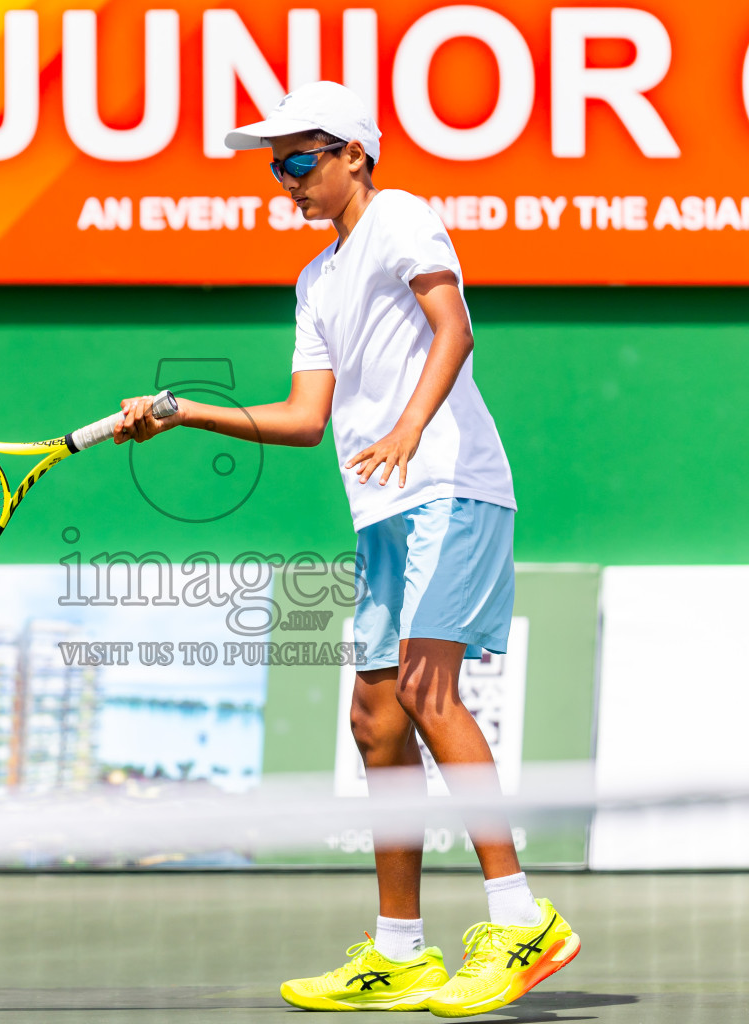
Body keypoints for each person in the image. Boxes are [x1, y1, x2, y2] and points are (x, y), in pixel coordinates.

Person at [113, 80, 579, 1017]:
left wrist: (410, 428)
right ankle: (400, 951)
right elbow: (302, 418)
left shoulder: (403, 215)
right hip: (381, 515)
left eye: (298, 160)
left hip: (451, 485)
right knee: (376, 722)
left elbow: (457, 328)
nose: (284, 180)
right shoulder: (315, 280)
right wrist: (183, 412)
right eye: (275, 166)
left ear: (353, 155)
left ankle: (523, 917)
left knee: (424, 689)